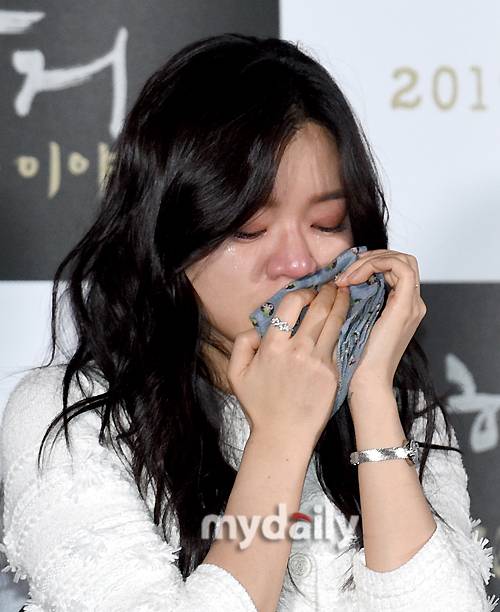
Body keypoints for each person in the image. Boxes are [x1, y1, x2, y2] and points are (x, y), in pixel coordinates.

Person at [0, 33, 497, 612]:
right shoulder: (75, 419)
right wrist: (281, 436)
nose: (298, 263)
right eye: (249, 230)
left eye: (327, 222)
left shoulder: (396, 404)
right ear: (170, 237)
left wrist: (370, 398)